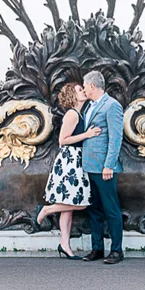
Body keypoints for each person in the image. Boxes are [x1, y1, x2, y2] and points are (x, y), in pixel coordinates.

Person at [37, 82, 102, 259]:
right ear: (73, 96)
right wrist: (87, 135)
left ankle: (65, 245)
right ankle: (46, 210)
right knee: (82, 202)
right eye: (80, 90)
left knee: (68, 208)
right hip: (70, 160)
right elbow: (62, 140)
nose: (83, 92)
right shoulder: (72, 114)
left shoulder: (78, 114)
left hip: (75, 158)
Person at [79, 70, 125, 264]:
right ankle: (97, 248)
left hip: (104, 168)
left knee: (111, 209)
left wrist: (109, 165)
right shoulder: (89, 106)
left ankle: (116, 250)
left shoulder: (112, 106)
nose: (83, 88)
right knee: (94, 210)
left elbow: (116, 138)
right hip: (89, 166)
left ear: (91, 85)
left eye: (84, 84)